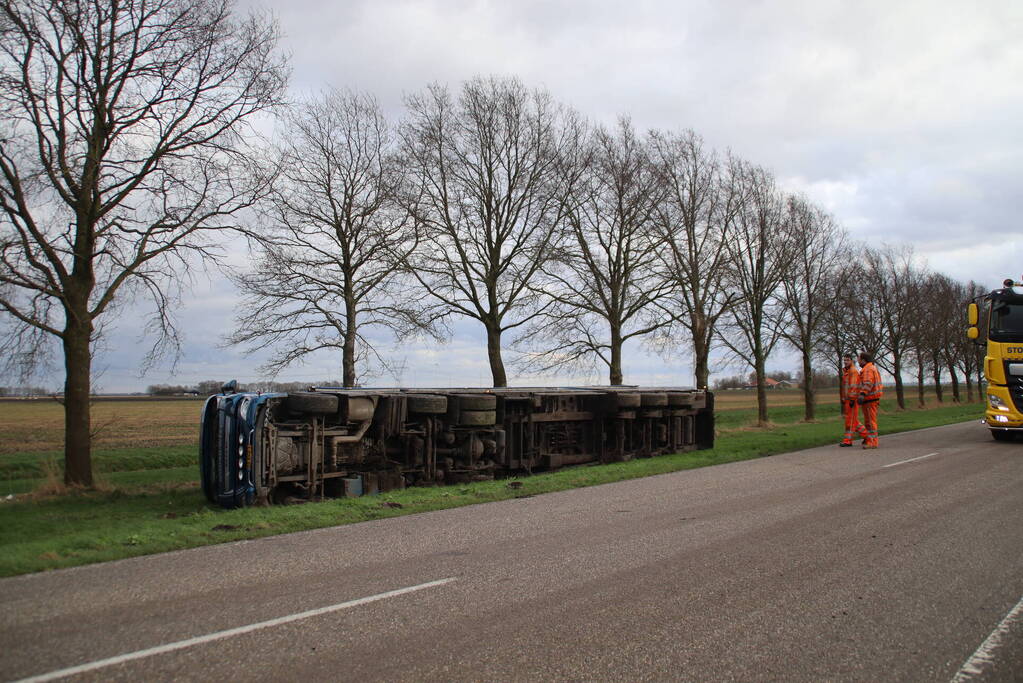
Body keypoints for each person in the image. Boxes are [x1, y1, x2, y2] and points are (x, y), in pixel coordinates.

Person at [857, 351, 884, 449]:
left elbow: (868, 383)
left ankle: (872, 442)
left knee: (870, 422)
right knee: (869, 421)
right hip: (871, 399)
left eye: (859, 359)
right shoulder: (871, 368)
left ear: (863, 360)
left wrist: (862, 394)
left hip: (870, 399)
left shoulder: (868, 369)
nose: (858, 361)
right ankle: (870, 440)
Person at [839, 354, 867, 447]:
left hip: (852, 400)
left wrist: (851, 399)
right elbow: (845, 387)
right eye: (844, 360)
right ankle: (867, 436)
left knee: (850, 421)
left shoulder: (853, 371)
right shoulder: (846, 372)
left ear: (851, 361)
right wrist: (843, 398)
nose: (845, 362)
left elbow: (854, 387)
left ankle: (848, 440)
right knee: (853, 420)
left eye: (847, 360)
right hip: (848, 400)